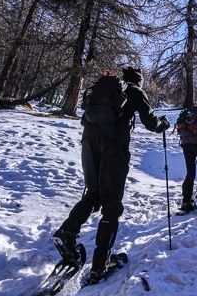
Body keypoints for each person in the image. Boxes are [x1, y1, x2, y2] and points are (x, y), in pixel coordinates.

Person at [52, 67, 169, 284]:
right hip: (114, 145)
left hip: (88, 142)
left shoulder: (105, 89)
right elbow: (151, 122)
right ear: (139, 81)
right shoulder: (134, 90)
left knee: (93, 194)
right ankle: (100, 265)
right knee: (112, 204)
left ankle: (67, 232)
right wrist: (163, 124)